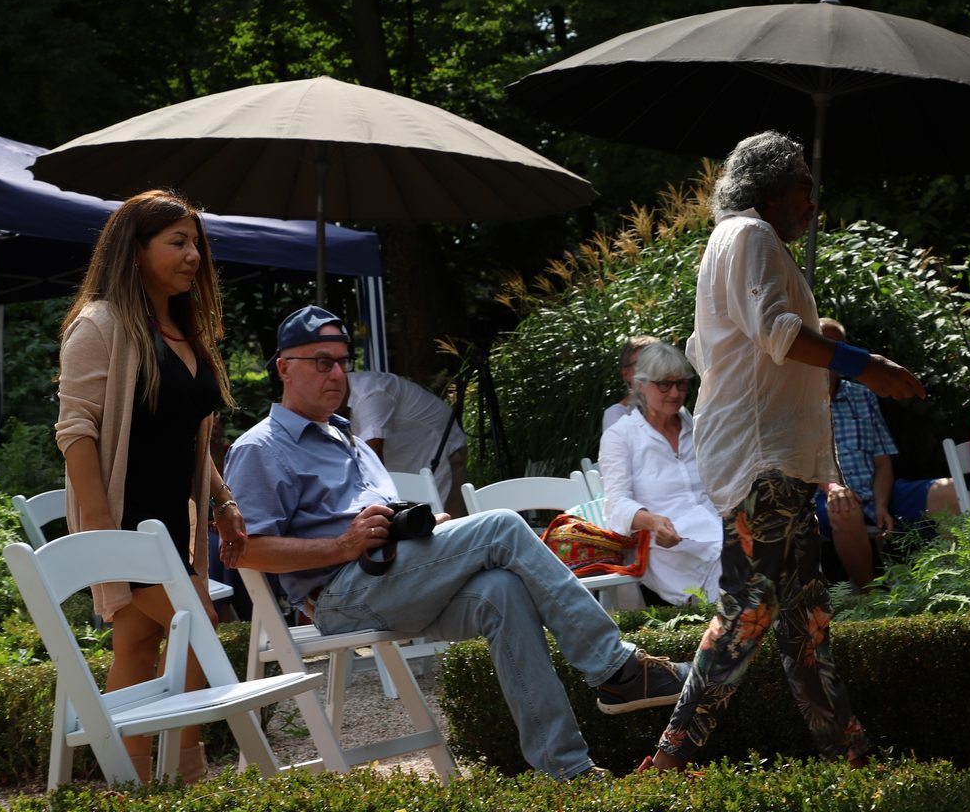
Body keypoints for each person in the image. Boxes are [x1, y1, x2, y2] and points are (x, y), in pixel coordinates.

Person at [225, 305, 688, 781]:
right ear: (284, 367)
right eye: (323, 362)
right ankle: (617, 669)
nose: (338, 373)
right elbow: (246, 550)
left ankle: (565, 769)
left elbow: (377, 520)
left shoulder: (351, 440)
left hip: (391, 580)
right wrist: (342, 546)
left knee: (503, 590)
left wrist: (427, 528)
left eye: (344, 361)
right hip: (340, 598)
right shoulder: (260, 448)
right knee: (502, 525)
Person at [641, 131, 925, 774]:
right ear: (770, 188)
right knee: (750, 610)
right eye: (804, 185)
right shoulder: (751, 236)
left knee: (806, 623)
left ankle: (851, 761)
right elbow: (777, 334)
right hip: (762, 459)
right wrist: (868, 365)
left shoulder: (733, 242)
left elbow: (711, 350)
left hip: (770, 460)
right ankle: (666, 765)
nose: (812, 201)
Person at [54, 189, 245, 784]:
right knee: (200, 630)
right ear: (135, 250)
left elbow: (188, 436)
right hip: (125, 519)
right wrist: (102, 532)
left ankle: (131, 784)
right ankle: (189, 777)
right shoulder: (100, 324)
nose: (194, 256)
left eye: (197, 243)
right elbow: (75, 430)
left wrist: (221, 500)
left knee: (138, 645)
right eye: (177, 242)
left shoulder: (184, 329)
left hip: (172, 524)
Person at [814, 317, 958, 589]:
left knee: (951, 491)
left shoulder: (862, 395)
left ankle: (950, 583)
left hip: (878, 492)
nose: (831, 356)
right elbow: (798, 461)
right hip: (827, 497)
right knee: (844, 507)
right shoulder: (795, 401)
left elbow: (882, 461)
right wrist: (834, 487)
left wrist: (881, 503)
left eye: (838, 348)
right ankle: (868, 596)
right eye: (824, 346)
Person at [597, 341, 721, 605]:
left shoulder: (695, 425)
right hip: (668, 547)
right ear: (641, 384)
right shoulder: (621, 435)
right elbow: (615, 505)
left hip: (718, 533)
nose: (675, 393)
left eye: (681, 384)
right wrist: (652, 521)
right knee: (741, 563)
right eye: (664, 385)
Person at [346, 369, 469, 518]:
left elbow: (373, 462)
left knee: (451, 524)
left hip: (441, 450)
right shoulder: (333, 401)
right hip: (406, 467)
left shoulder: (371, 393)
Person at [601, 335, 659, 434]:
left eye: (658, 362)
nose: (652, 368)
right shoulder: (617, 414)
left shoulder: (675, 408)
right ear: (626, 374)